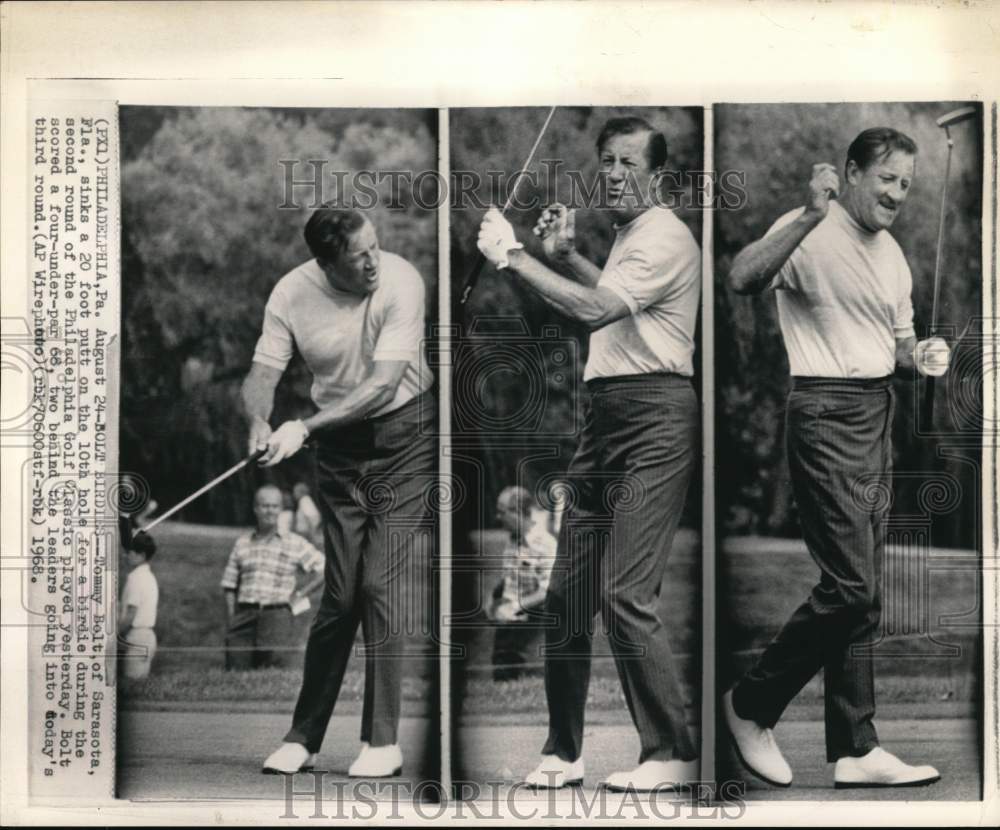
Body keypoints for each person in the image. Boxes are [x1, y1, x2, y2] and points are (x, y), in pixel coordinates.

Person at [476, 115, 701, 791]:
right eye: (606, 161)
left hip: (657, 418)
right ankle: (563, 751)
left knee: (625, 593)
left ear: (658, 176)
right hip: (603, 420)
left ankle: (671, 752)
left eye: (629, 163)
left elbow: (598, 311)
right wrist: (561, 256)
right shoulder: (632, 237)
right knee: (569, 595)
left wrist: (515, 257)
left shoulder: (665, 234)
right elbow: (592, 304)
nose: (612, 173)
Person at [723, 127, 951, 789]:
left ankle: (854, 747)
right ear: (851, 173)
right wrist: (810, 215)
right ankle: (750, 704)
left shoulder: (895, 258)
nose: (897, 194)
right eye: (886, 179)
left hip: (878, 413)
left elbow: (900, 350)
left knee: (864, 592)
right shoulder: (807, 227)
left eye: (906, 184)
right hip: (822, 411)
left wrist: (922, 358)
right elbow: (741, 277)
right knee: (850, 586)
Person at [243, 205, 435, 777]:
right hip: (341, 452)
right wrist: (258, 420)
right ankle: (304, 737)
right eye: (360, 255)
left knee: (378, 585)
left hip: (407, 436)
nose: (375, 260)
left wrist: (301, 428)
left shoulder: (401, 280)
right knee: (340, 596)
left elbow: (382, 387)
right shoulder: (290, 294)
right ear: (327, 263)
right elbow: (262, 374)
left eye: (376, 245)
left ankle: (381, 743)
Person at [221, 484, 324, 670]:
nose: (269, 511)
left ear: (281, 510)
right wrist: (231, 620)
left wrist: (301, 594)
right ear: (255, 509)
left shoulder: (294, 542)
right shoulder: (242, 543)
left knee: (274, 675)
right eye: (264, 506)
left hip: (277, 616)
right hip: (243, 617)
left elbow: (325, 570)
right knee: (234, 674)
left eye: (274, 506)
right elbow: (229, 585)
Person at [487, 486, 558, 681]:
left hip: (531, 622)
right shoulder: (513, 540)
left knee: (518, 674)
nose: (498, 517)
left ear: (518, 512)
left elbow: (547, 591)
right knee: (501, 675)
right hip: (507, 622)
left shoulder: (544, 544)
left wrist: (515, 606)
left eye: (502, 512)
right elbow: (508, 577)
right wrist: (492, 600)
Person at [119, 531, 159, 681]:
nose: (126, 555)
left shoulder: (135, 578)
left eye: (130, 552)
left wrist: (115, 635)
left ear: (141, 555)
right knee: (138, 683)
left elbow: (131, 613)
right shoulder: (150, 577)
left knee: (131, 683)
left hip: (136, 637)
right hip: (148, 636)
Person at [292, 481, 324, 550]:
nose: (293, 494)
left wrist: (313, 535)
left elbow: (312, 518)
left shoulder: (305, 501)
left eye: (295, 491)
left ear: (300, 492)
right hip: (305, 535)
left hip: (307, 535)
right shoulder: (303, 501)